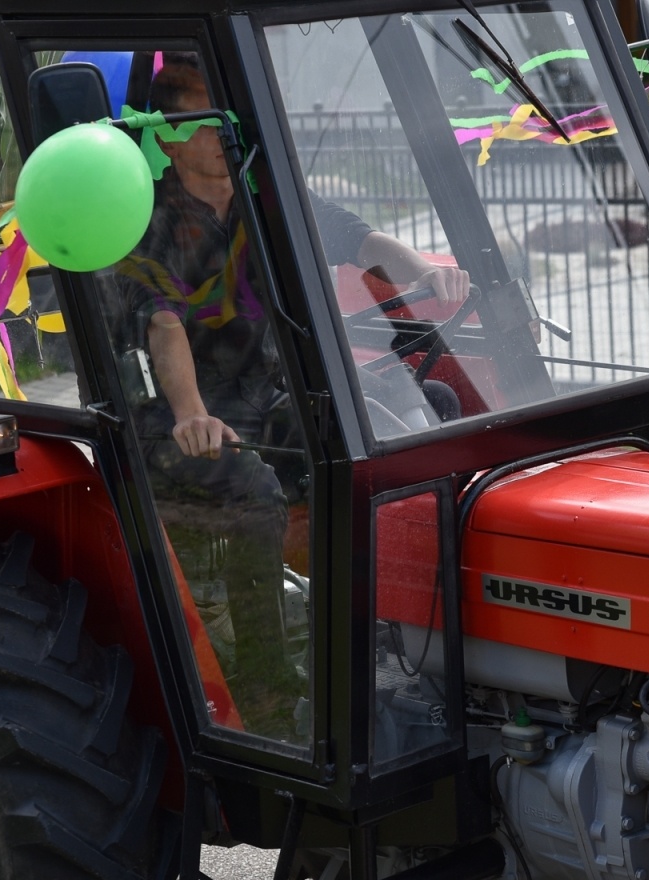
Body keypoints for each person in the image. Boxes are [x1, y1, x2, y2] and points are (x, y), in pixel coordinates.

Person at [114, 54, 468, 737]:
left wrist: (423, 269)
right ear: (170, 133)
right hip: (183, 417)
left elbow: (356, 236)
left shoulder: (262, 197)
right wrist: (191, 413)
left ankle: (401, 641)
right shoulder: (148, 218)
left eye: (225, 116)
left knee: (423, 423)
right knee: (255, 492)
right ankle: (267, 682)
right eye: (203, 118)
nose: (222, 131)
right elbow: (162, 324)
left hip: (274, 393)